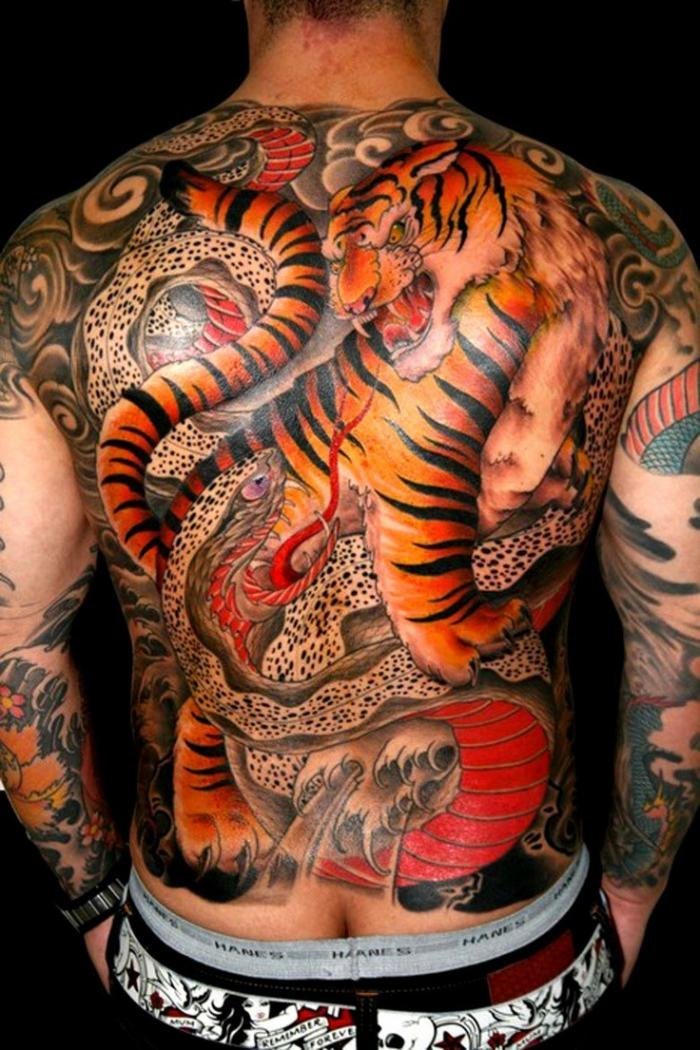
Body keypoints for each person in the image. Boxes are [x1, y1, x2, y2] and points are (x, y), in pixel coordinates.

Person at [0, 1, 697, 1046]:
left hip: (199, 968)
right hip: (511, 965)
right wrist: (635, 895)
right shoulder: (632, 234)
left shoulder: (50, 255)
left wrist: (95, 906)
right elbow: (676, 634)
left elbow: (16, 643)